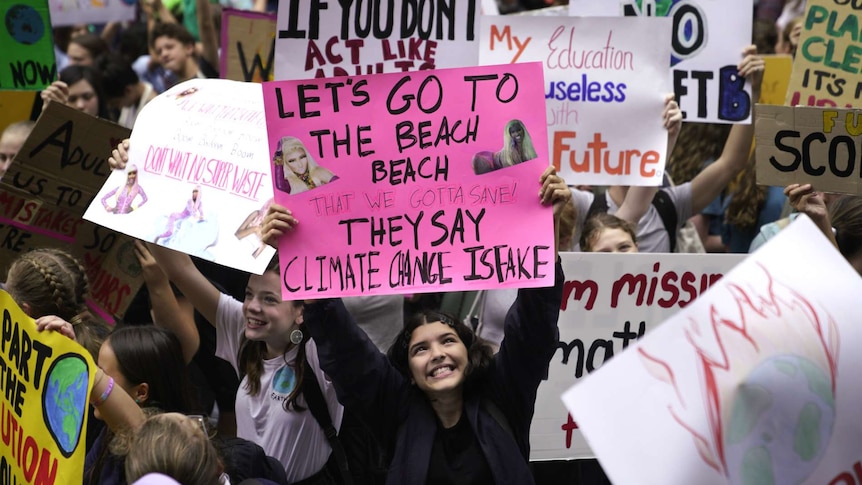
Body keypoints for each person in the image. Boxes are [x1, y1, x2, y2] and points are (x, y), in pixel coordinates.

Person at [262, 166, 569, 484]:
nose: (437, 353)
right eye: (421, 348)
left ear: (470, 351)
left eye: (448, 341)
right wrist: (302, 255)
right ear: (407, 371)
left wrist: (546, 228)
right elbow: (347, 351)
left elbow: (533, 328)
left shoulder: (504, 395)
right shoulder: (396, 411)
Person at [145, 245, 343, 483]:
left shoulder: (321, 356)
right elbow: (181, 270)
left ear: (300, 311)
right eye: (249, 294)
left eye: (269, 299)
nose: (252, 307)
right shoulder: (246, 334)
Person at [99, 54, 158, 129]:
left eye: (116, 103)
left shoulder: (155, 108)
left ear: (128, 90)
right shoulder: (130, 102)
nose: (119, 107)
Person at [272, 136, 336, 195]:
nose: (300, 165)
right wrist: (278, 157)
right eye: (292, 161)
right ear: (286, 164)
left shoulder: (319, 172)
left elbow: (342, 186)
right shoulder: (290, 183)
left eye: (302, 157)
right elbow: (280, 186)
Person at [472, 119, 538, 174]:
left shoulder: (528, 150)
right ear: (509, 134)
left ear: (523, 130)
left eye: (518, 130)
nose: (517, 134)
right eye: (513, 132)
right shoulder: (510, 153)